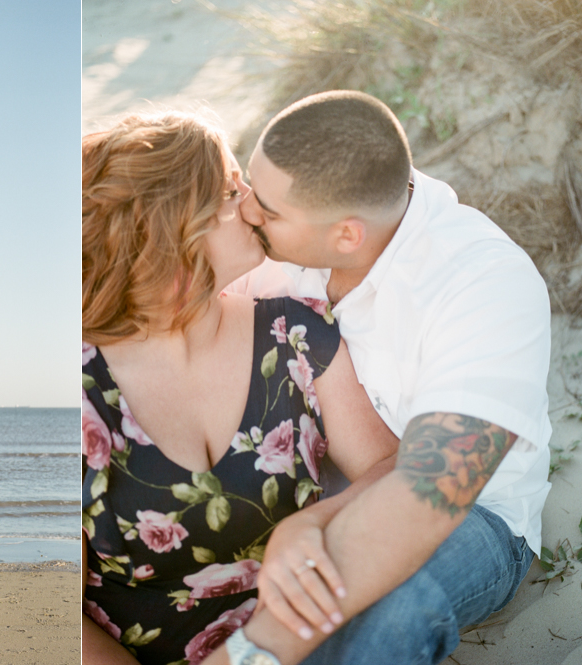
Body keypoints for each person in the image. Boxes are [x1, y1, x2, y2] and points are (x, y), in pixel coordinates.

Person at [204, 90, 551, 665]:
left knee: (386, 604)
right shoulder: (290, 227)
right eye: (247, 190)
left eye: (265, 210)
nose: (246, 212)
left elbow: (430, 493)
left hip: (473, 514)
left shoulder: (484, 283)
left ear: (347, 236)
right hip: (319, 487)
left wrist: (252, 651)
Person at [81, 111, 399, 665]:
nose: (252, 204)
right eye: (231, 190)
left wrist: (317, 522)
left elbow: (391, 470)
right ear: (173, 226)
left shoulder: (294, 334)